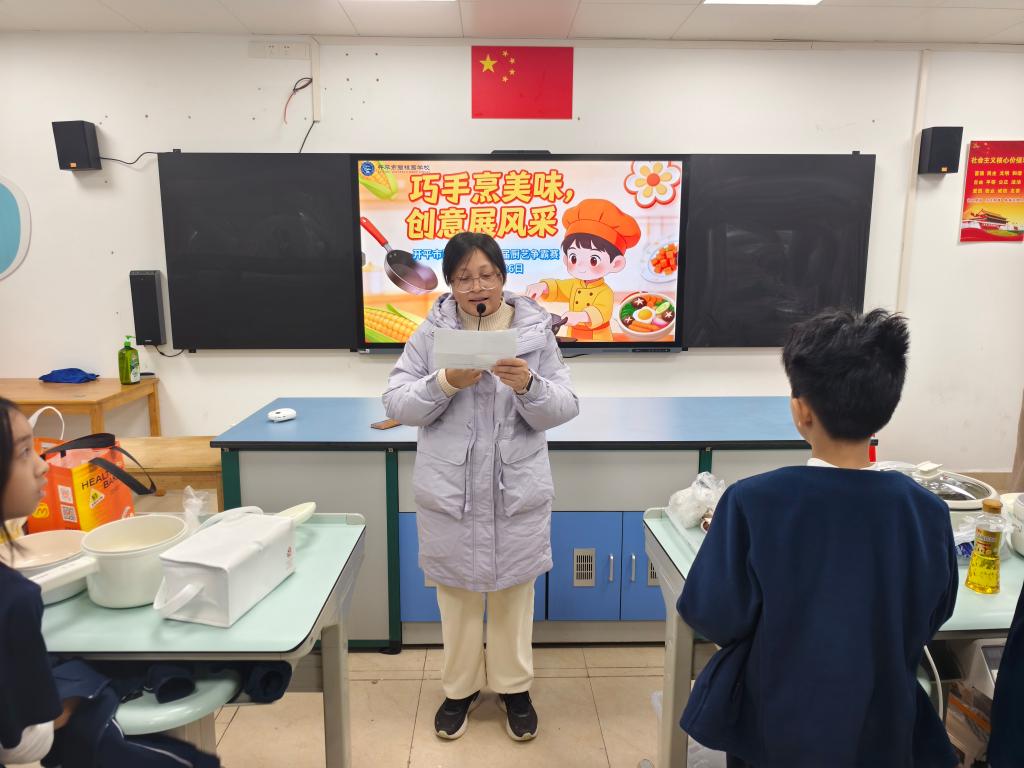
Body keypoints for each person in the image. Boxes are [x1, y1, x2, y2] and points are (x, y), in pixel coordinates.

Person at [677, 309, 959, 768]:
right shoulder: (926, 511)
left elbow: (711, 615)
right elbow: (932, 614)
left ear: (801, 410)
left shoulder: (754, 501)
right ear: (885, 409)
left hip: (776, 725)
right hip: (883, 726)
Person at [383, 231, 578, 742]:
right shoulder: (430, 334)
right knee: (458, 600)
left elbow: (565, 405)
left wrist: (529, 386)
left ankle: (514, 689)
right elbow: (396, 402)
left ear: (502, 278)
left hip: (515, 489)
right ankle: (460, 690)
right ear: (449, 283)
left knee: (514, 597)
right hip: (453, 491)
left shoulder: (535, 333)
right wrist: (445, 382)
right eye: (464, 277)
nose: (476, 286)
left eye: (486, 275)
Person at [0, 397, 78, 766]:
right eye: (23, 452)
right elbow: (23, 744)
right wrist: (82, 694)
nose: (42, 465)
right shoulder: (13, 598)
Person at [525, 198, 640, 342]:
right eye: (574, 258)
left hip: (598, 340)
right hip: (572, 336)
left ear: (616, 264)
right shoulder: (574, 285)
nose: (580, 267)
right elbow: (558, 287)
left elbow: (602, 311)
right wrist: (542, 286)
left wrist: (581, 316)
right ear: (566, 259)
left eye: (593, 260)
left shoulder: (605, 292)